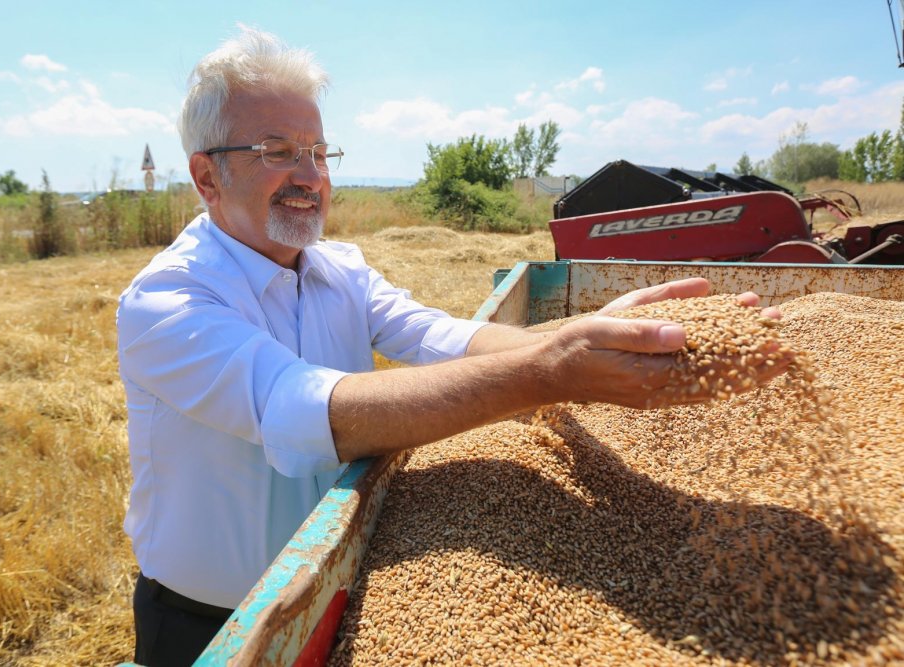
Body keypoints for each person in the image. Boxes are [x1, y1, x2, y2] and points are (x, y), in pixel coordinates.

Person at [116, 27, 789, 667]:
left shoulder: (337, 267)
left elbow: (440, 336)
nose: (310, 175)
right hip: (212, 624)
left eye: (319, 152)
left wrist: (589, 333)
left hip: (341, 585)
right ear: (207, 176)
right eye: (277, 150)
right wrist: (553, 370)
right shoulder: (167, 302)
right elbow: (301, 409)